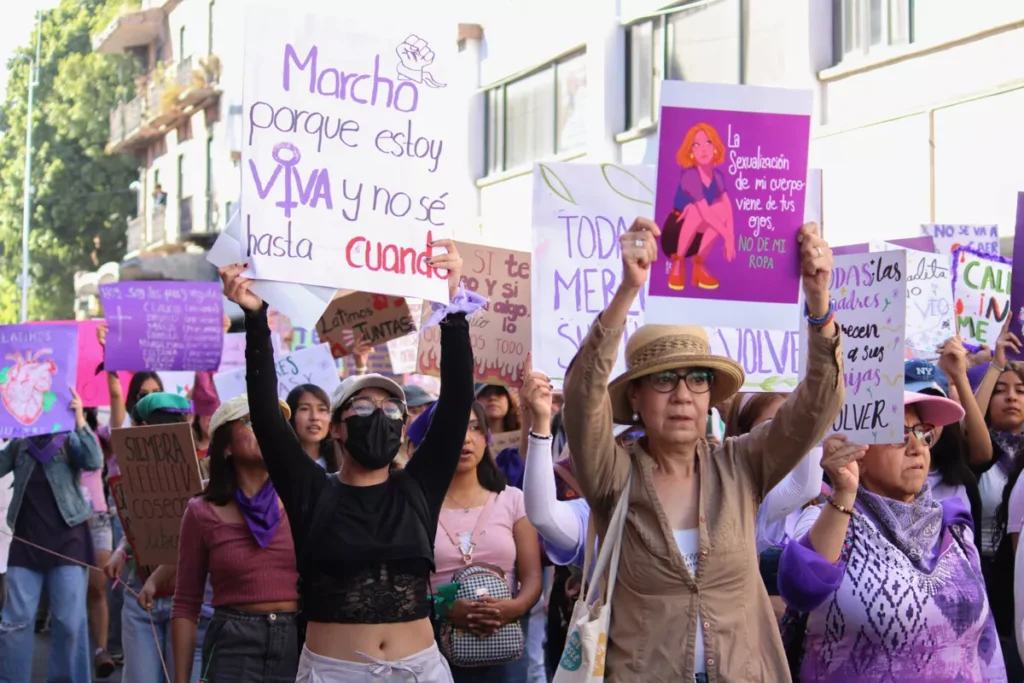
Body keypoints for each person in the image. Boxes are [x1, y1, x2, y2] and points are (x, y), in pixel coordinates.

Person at [562, 218, 843, 680]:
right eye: (664, 379)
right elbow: (581, 397)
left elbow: (817, 405)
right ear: (635, 396)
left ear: (710, 394)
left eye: (697, 379)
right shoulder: (613, 474)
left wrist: (817, 304)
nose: (682, 395)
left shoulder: (741, 464)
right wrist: (628, 290)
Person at [219, 238, 479, 683]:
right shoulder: (311, 492)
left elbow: (455, 406)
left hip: (420, 671)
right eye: (362, 408)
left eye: (391, 409)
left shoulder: (419, 488)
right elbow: (265, 414)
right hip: (333, 673)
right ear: (337, 427)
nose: (378, 416)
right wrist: (256, 317)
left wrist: (453, 309)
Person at [779, 393, 1005, 681]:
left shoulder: (954, 526)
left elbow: (986, 645)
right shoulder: (829, 520)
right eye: (898, 435)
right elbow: (801, 588)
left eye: (924, 433)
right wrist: (845, 491)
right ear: (859, 453)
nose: (916, 447)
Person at [172, 394, 300, 683]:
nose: (268, 429)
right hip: (232, 646)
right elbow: (186, 604)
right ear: (226, 446)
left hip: (299, 640)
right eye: (253, 422)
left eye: (275, 423)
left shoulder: (303, 499)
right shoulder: (201, 512)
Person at [429, 402, 542, 681]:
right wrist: (446, 608)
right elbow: (408, 585)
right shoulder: (421, 505)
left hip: (504, 646)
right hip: (436, 648)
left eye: (475, 428)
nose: (465, 438)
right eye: (455, 428)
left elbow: (533, 577)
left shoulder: (513, 499)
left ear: (486, 436)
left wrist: (511, 609)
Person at [0, 388, 102, 683]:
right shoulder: (20, 444)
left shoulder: (69, 438)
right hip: (26, 542)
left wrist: (80, 420)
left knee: (69, 624)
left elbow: (94, 461)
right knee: (14, 623)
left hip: (68, 542)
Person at [104, 392, 195, 683]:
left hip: (188, 600)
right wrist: (121, 551)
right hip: (140, 597)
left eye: (172, 427)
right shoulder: (128, 478)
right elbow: (136, 528)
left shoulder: (207, 476)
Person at [661, 122, 735, 291]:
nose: (703, 149)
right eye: (696, 145)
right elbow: (705, 214)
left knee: (721, 209)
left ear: (715, 147)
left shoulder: (717, 176)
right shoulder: (690, 175)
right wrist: (727, 237)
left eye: (708, 143)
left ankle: (698, 265)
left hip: (698, 238)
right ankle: (678, 264)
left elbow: (727, 208)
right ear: (691, 152)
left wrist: (730, 234)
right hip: (675, 234)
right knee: (695, 210)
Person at [286, 384, 339, 473]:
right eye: (305, 409)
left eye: (322, 409)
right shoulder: (275, 467)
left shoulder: (342, 467)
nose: (314, 417)